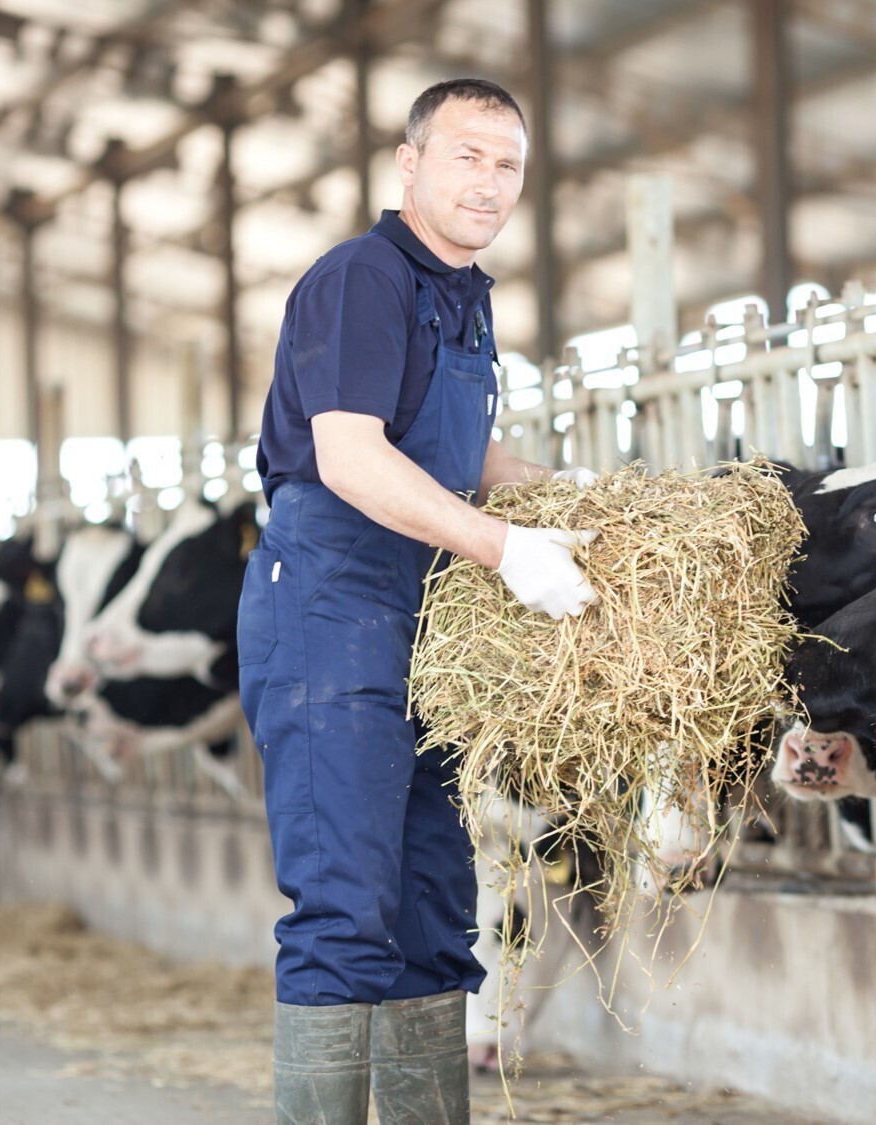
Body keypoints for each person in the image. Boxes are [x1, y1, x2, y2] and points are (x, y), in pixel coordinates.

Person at [238, 78, 600, 1125]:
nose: (489, 183)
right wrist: (504, 552)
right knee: (346, 908)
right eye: (466, 157)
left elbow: (449, 449)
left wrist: (574, 499)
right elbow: (351, 458)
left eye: (508, 165)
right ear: (408, 166)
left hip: (428, 614)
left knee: (437, 908)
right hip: (330, 602)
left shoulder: (464, 294)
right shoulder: (359, 278)